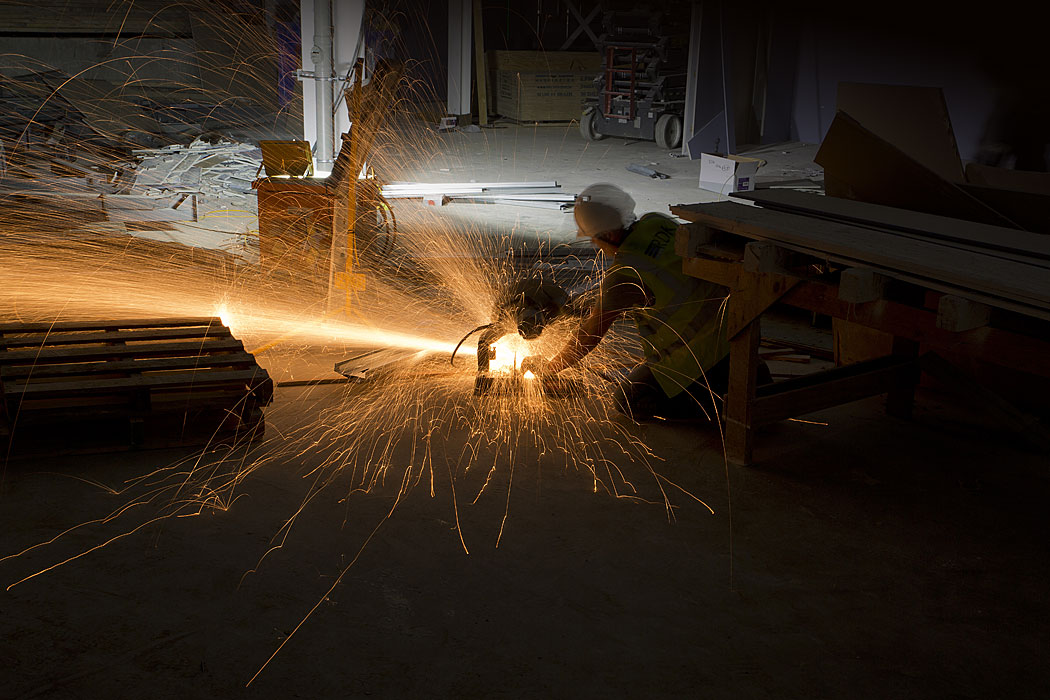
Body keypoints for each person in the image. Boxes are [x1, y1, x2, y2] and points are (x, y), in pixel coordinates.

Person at [524, 183, 766, 421]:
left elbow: (590, 334)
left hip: (699, 360)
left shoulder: (624, 274)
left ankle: (728, 407)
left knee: (629, 399)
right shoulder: (656, 222)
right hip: (737, 334)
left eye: (594, 239)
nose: (595, 245)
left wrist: (550, 367)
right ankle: (750, 380)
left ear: (608, 234)